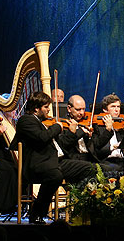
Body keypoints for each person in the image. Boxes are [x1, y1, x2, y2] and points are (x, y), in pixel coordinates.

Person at [11, 91, 95, 224]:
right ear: (36, 108)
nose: (49, 110)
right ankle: (37, 213)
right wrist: (57, 127)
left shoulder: (43, 122)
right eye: (45, 107)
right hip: (39, 164)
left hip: (56, 161)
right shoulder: (26, 120)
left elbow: (59, 144)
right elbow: (42, 137)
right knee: (55, 176)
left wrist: (74, 132)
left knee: (91, 168)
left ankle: (80, 209)